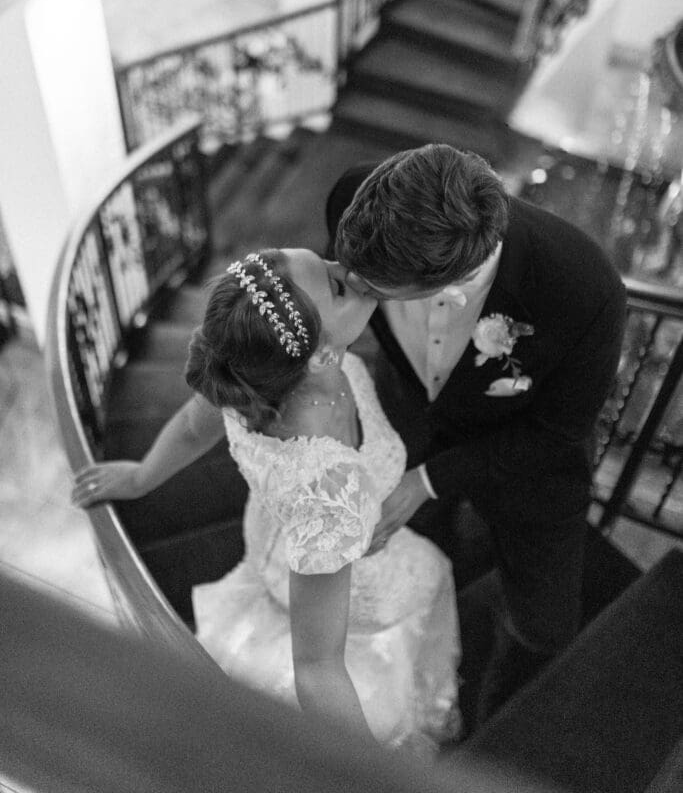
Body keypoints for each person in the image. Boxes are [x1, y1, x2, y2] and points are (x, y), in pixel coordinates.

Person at [72, 248, 462, 750]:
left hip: (286, 539)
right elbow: (318, 666)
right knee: (433, 571)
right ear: (319, 351)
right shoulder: (326, 488)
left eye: (324, 261)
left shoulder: (257, 369)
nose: (348, 268)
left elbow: (194, 426)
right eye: (337, 285)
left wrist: (141, 476)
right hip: (341, 576)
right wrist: (375, 771)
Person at [326, 144, 627, 723]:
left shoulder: (585, 289)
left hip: (531, 469)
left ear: (449, 280)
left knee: (541, 625)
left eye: (376, 287)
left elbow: (556, 434)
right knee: (425, 553)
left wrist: (429, 479)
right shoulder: (355, 196)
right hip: (411, 413)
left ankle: (499, 723)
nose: (354, 289)